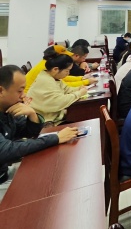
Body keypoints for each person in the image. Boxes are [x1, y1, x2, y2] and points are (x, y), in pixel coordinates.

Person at [0, 65, 78, 200]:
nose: (23, 96)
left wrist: (32, 115)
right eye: (20, 91)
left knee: (56, 179)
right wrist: (55, 138)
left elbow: (28, 133)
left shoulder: (8, 109)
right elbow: (8, 150)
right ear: (1, 91)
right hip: (2, 179)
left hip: (5, 173)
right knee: (45, 192)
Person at [27, 54, 88, 124]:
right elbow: (60, 102)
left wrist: (78, 88)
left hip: (53, 115)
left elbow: (66, 89)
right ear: (55, 69)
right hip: (45, 122)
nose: (68, 73)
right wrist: (79, 93)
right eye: (67, 71)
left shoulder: (52, 77)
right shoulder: (46, 81)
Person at [24, 45, 97, 93]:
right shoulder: (46, 67)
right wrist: (86, 82)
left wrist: (81, 78)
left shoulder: (47, 63)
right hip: (29, 99)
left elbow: (63, 79)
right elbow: (63, 85)